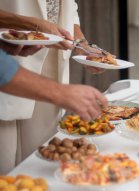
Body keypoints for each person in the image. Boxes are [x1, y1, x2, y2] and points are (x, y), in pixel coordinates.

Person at [0, 1, 104, 172]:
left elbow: (70, 6)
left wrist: (82, 44)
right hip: (7, 59)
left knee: (42, 163)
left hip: (52, 60)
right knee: (5, 164)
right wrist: (33, 24)